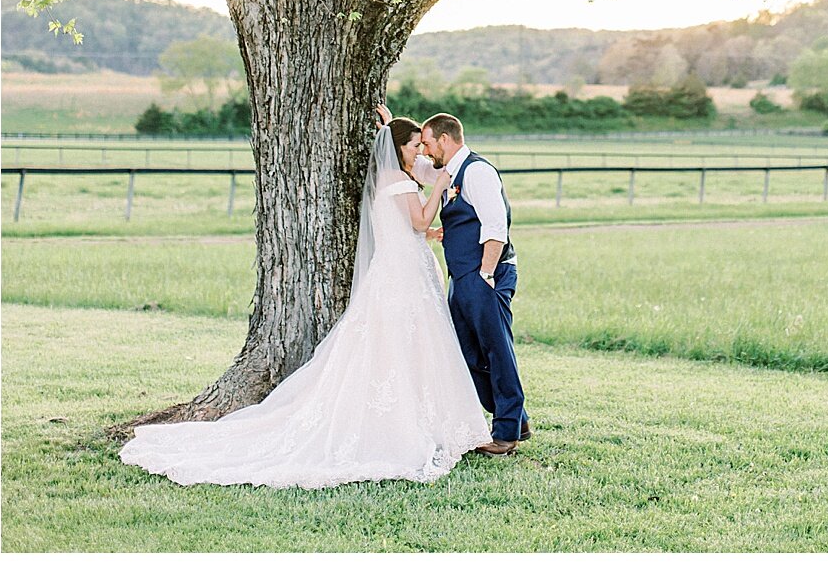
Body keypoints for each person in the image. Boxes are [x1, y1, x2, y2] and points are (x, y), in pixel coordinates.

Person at [118, 118, 492, 487]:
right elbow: (417, 219)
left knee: (399, 346)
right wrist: (441, 185)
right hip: (404, 277)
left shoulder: (388, 180)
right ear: (398, 150)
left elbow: (406, 226)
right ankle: (413, 425)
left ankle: (418, 419)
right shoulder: (399, 182)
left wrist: (395, 132)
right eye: (414, 146)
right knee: (410, 345)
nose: (421, 152)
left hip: (398, 271)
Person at [379, 105, 529, 456]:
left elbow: (496, 227)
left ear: (445, 140)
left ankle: (506, 433)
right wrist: (390, 129)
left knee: (496, 349)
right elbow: (409, 162)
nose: (425, 151)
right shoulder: (446, 171)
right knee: (469, 353)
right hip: (462, 276)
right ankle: (515, 418)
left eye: (429, 144)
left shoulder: (477, 172)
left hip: (485, 274)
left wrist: (487, 274)